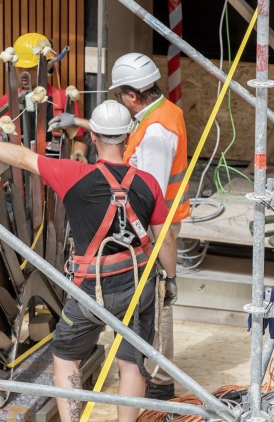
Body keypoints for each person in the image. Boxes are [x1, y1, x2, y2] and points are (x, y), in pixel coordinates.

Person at [0, 100, 178, 422]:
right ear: (128, 137)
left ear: (93, 137)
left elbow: (21, 157)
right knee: (132, 364)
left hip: (89, 290)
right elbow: (166, 241)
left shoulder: (74, 174)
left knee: (66, 358)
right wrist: (171, 279)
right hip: (136, 284)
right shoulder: (148, 183)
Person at [50, 52, 189, 401]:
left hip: (153, 230)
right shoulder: (159, 113)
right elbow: (126, 134)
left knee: (155, 302)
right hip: (151, 226)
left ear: (131, 95)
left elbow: (145, 191)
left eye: (118, 96)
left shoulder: (157, 131)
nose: (118, 102)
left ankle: (157, 377)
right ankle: (142, 369)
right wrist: (84, 123)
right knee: (145, 301)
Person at [0, 32, 88, 160]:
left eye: (31, 68)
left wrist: (78, 155)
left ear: (46, 67)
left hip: (54, 173)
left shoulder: (64, 99)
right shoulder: (7, 102)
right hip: (19, 172)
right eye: (19, 67)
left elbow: (79, 139)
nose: (23, 73)